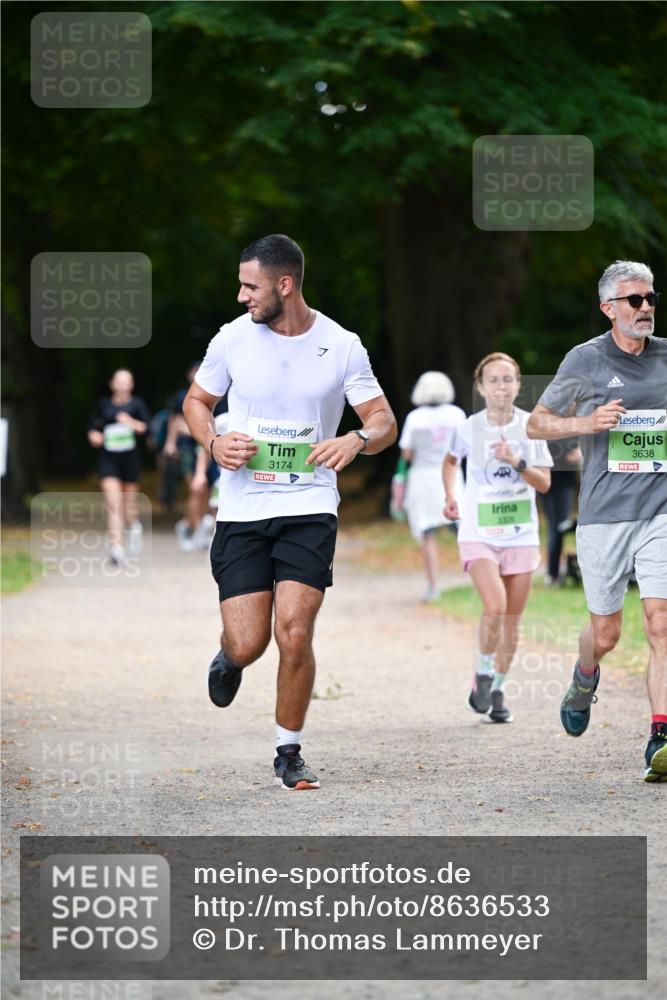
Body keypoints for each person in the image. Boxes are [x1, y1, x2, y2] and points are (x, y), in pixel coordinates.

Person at [183, 234, 396, 789]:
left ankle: (288, 750)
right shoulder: (232, 339)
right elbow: (197, 402)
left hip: (309, 504)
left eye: (249, 286)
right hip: (243, 508)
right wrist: (213, 443)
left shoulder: (342, 345)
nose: (241, 296)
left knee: (295, 632)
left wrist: (355, 440)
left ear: (285, 284)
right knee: (249, 641)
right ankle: (230, 656)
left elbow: (383, 421)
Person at [527, 259, 667, 782]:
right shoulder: (585, 360)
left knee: (661, 622)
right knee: (605, 634)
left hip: (661, 511)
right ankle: (585, 675)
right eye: (634, 300)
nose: (646, 307)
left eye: (651, 298)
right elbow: (537, 423)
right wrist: (586, 422)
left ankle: (660, 737)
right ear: (608, 308)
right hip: (605, 515)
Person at [443, 352, 552, 723]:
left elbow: (544, 482)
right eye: (493, 380)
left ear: (518, 385)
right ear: (481, 387)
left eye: (508, 379)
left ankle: (499, 689)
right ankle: (484, 672)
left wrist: (516, 462)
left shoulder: (531, 427)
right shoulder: (468, 428)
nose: (501, 387)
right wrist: (451, 495)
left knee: (511, 620)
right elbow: (450, 461)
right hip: (479, 532)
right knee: (496, 605)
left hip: (521, 535)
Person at [398, 371, 466, 602]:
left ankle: (433, 586)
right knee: (463, 530)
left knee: (427, 534)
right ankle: (475, 576)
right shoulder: (457, 414)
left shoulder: (415, 418)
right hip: (452, 476)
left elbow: (407, 453)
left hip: (423, 478)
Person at [87, 369, 150, 566]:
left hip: (130, 461)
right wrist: (94, 436)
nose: (122, 385)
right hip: (109, 460)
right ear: (112, 384)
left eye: (126, 381)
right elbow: (93, 429)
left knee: (128, 507)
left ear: (131, 385)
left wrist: (128, 421)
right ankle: (116, 548)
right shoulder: (103, 405)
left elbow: (144, 428)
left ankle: (133, 525)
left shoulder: (137, 404)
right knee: (113, 504)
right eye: (119, 381)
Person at [541, 438, 582, 585]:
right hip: (555, 482)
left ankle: (553, 574)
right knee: (557, 526)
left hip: (556, 480)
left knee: (556, 526)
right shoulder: (562, 431)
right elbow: (573, 455)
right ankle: (552, 574)